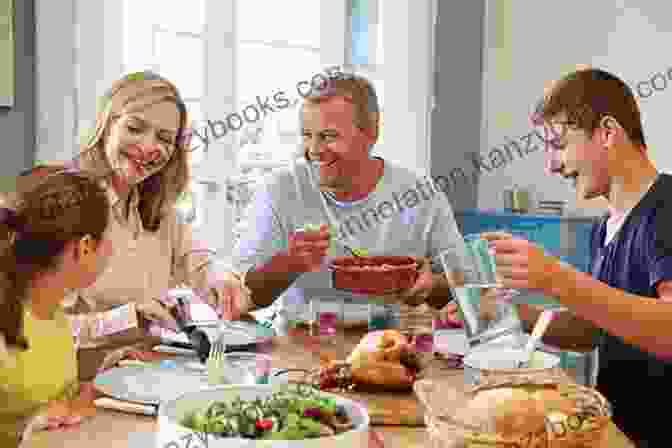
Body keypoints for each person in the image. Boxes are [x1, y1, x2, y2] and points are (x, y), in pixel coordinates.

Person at [481, 68, 671, 446]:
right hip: (616, 432)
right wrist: (503, 312)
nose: (551, 164)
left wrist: (554, 277)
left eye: (558, 144)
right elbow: (594, 329)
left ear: (608, 133)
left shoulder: (667, 208)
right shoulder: (604, 227)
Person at [25, 71, 250, 380]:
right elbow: (33, 330)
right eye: (135, 128)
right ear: (107, 125)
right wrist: (129, 318)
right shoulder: (66, 205)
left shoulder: (157, 209)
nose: (148, 147)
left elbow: (199, 262)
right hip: (69, 388)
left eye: (164, 138)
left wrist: (221, 280)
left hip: (141, 379)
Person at [229, 72, 470, 330]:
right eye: (307, 135)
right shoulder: (281, 189)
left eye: (328, 136)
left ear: (371, 132)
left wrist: (432, 286)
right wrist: (288, 263)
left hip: (394, 349)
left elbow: (467, 288)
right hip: (300, 346)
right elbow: (241, 296)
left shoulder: (420, 195)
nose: (314, 150)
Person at [0, 169, 112, 447]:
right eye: (108, 238)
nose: (111, 249)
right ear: (84, 247)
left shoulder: (52, 310)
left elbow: (46, 396)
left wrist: (101, 376)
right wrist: (27, 433)